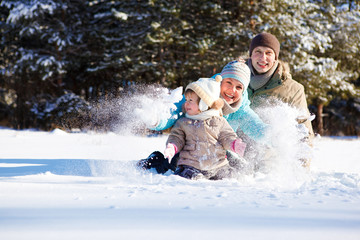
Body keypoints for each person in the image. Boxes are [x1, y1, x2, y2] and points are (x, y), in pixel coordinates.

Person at [137, 60, 264, 174]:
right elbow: (176, 111)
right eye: (228, 82)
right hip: (191, 148)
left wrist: (273, 134)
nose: (232, 90)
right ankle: (156, 159)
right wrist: (157, 120)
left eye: (238, 87)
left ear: (243, 91)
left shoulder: (241, 109)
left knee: (241, 169)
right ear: (220, 82)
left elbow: (255, 126)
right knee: (172, 165)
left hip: (218, 153)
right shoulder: (202, 92)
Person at [163, 76, 247, 180]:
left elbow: (227, 137)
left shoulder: (218, 121)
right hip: (191, 165)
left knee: (232, 175)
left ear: (204, 104)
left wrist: (235, 144)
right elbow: (177, 138)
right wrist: (172, 147)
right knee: (187, 174)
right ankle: (197, 178)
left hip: (217, 166)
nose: (186, 103)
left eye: (191, 100)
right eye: (186, 100)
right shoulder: (183, 123)